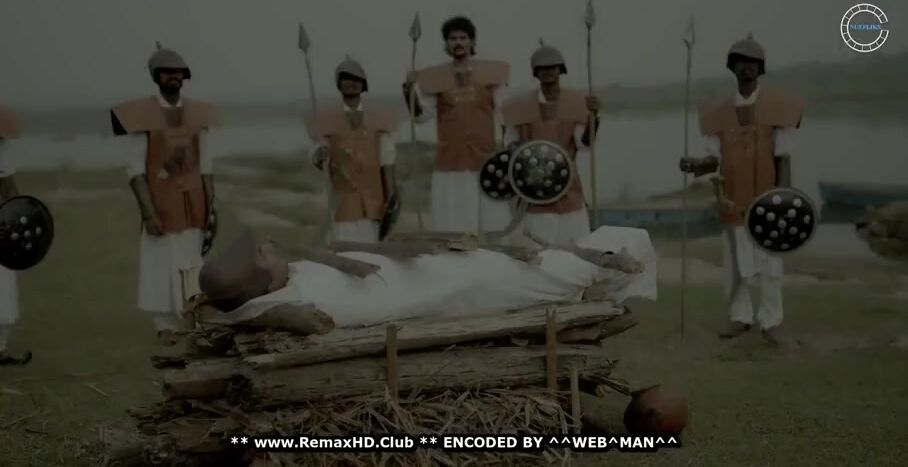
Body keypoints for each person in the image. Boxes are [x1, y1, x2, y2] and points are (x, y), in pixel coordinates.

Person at [196, 226, 658, 330]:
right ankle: (602, 263)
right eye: (264, 254)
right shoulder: (303, 300)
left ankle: (593, 261)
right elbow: (250, 313)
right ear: (260, 280)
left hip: (427, 269)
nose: (271, 247)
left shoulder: (289, 280)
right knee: (542, 272)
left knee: (532, 264)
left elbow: (241, 308)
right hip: (448, 284)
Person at [679, 34, 804, 343]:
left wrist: (784, 201)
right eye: (741, 62)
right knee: (736, 266)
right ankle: (740, 316)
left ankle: (771, 321)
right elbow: (714, 160)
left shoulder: (777, 109)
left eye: (752, 62)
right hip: (732, 200)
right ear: (732, 67)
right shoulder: (719, 115)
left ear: (760, 68)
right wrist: (695, 165)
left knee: (770, 264)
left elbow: (783, 158)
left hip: (767, 201)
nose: (747, 67)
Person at [110, 44, 217, 338]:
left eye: (178, 72)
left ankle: (192, 321)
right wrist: (148, 213)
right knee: (160, 263)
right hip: (161, 201)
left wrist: (211, 207)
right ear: (156, 76)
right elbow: (135, 170)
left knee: (192, 262)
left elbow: (206, 165)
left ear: (185, 76)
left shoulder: (197, 113)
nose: (173, 76)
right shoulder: (142, 115)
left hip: (194, 201)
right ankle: (165, 327)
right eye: (167, 71)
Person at [402, 16, 511, 236]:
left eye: (463, 38)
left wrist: (509, 150)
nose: (458, 42)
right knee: (453, 223)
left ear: (472, 41)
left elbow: (505, 114)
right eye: (453, 38)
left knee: (492, 223)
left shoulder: (491, 75)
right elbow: (422, 116)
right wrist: (409, 94)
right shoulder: (436, 79)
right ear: (446, 43)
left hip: (486, 159)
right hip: (451, 162)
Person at [501, 43, 600, 248]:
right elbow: (510, 143)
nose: (547, 72)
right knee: (540, 250)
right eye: (542, 68)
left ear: (560, 70)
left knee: (576, 248)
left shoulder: (575, 102)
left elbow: (583, 144)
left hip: (568, 188)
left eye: (552, 67)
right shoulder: (520, 106)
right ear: (535, 72)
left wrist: (593, 118)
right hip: (534, 191)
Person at [306, 56, 399, 243]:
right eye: (347, 78)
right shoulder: (327, 118)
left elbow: (387, 159)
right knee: (347, 245)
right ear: (339, 83)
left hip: (374, 199)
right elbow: (317, 151)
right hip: (344, 199)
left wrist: (391, 197)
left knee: (375, 248)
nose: (352, 83)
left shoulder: (378, 116)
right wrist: (319, 155)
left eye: (357, 79)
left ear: (363, 84)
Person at [0, 107, 30, 365]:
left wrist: (20, 219)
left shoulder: (3, 151)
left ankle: (0, 348)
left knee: (3, 286)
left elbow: (10, 189)